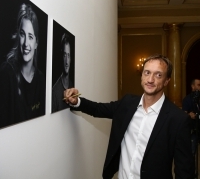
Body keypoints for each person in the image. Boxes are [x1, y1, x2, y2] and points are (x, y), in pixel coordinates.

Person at [64, 54, 194, 179]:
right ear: (142, 75)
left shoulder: (178, 119)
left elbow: (184, 170)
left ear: (167, 81)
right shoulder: (127, 103)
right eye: (147, 73)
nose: (150, 80)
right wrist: (77, 101)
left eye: (158, 75)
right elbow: (99, 109)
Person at [0, 3, 46, 128]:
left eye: (30, 37)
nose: (26, 43)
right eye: (22, 34)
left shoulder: (41, 80)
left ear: (36, 43)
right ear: (18, 36)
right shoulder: (6, 74)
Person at [52, 33, 74, 113]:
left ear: (71, 59)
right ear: (61, 57)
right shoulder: (54, 92)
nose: (67, 61)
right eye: (64, 55)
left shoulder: (72, 86)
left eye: (68, 56)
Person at [182, 79, 200, 156]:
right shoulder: (187, 99)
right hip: (193, 130)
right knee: (191, 153)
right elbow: (183, 114)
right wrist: (189, 115)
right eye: (198, 85)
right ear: (193, 86)